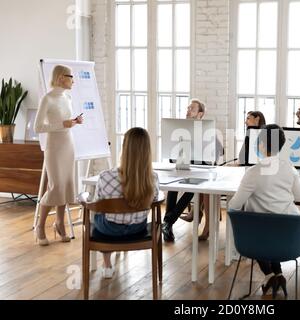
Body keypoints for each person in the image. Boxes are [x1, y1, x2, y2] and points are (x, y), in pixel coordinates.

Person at [229, 124, 300, 298]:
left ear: (262, 145)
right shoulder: (290, 169)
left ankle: (270, 275)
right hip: (288, 238)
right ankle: (277, 275)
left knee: (259, 227)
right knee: (273, 224)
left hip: (259, 239)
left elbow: (235, 204)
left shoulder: (254, 172)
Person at [93, 127, 160, 278]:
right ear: (147, 151)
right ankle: (109, 262)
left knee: (99, 216)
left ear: (124, 147)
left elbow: (97, 202)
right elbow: (155, 199)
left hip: (108, 231)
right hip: (138, 230)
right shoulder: (153, 178)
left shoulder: (105, 177)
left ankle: (107, 264)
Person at [34, 65, 84, 246]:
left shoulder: (67, 97)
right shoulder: (47, 99)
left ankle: (60, 224)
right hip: (54, 147)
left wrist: (74, 122)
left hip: (68, 145)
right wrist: (62, 124)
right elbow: (38, 127)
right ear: (62, 77)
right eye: (71, 76)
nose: (73, 80)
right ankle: (40, 226)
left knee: (66, 185)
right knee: (55, 187)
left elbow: (65, 123)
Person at [162, 99, 223, 242]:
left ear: (200, 114)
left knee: (191, 188)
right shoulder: (178, 130)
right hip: (181, 167)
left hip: (198, 172)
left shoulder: (208, 131)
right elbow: (171, 152)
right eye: (188, 108)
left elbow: (218, 152)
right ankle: (168, 224)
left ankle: (168, 222)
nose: (188, 110)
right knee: (172, 187)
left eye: (192, 108)